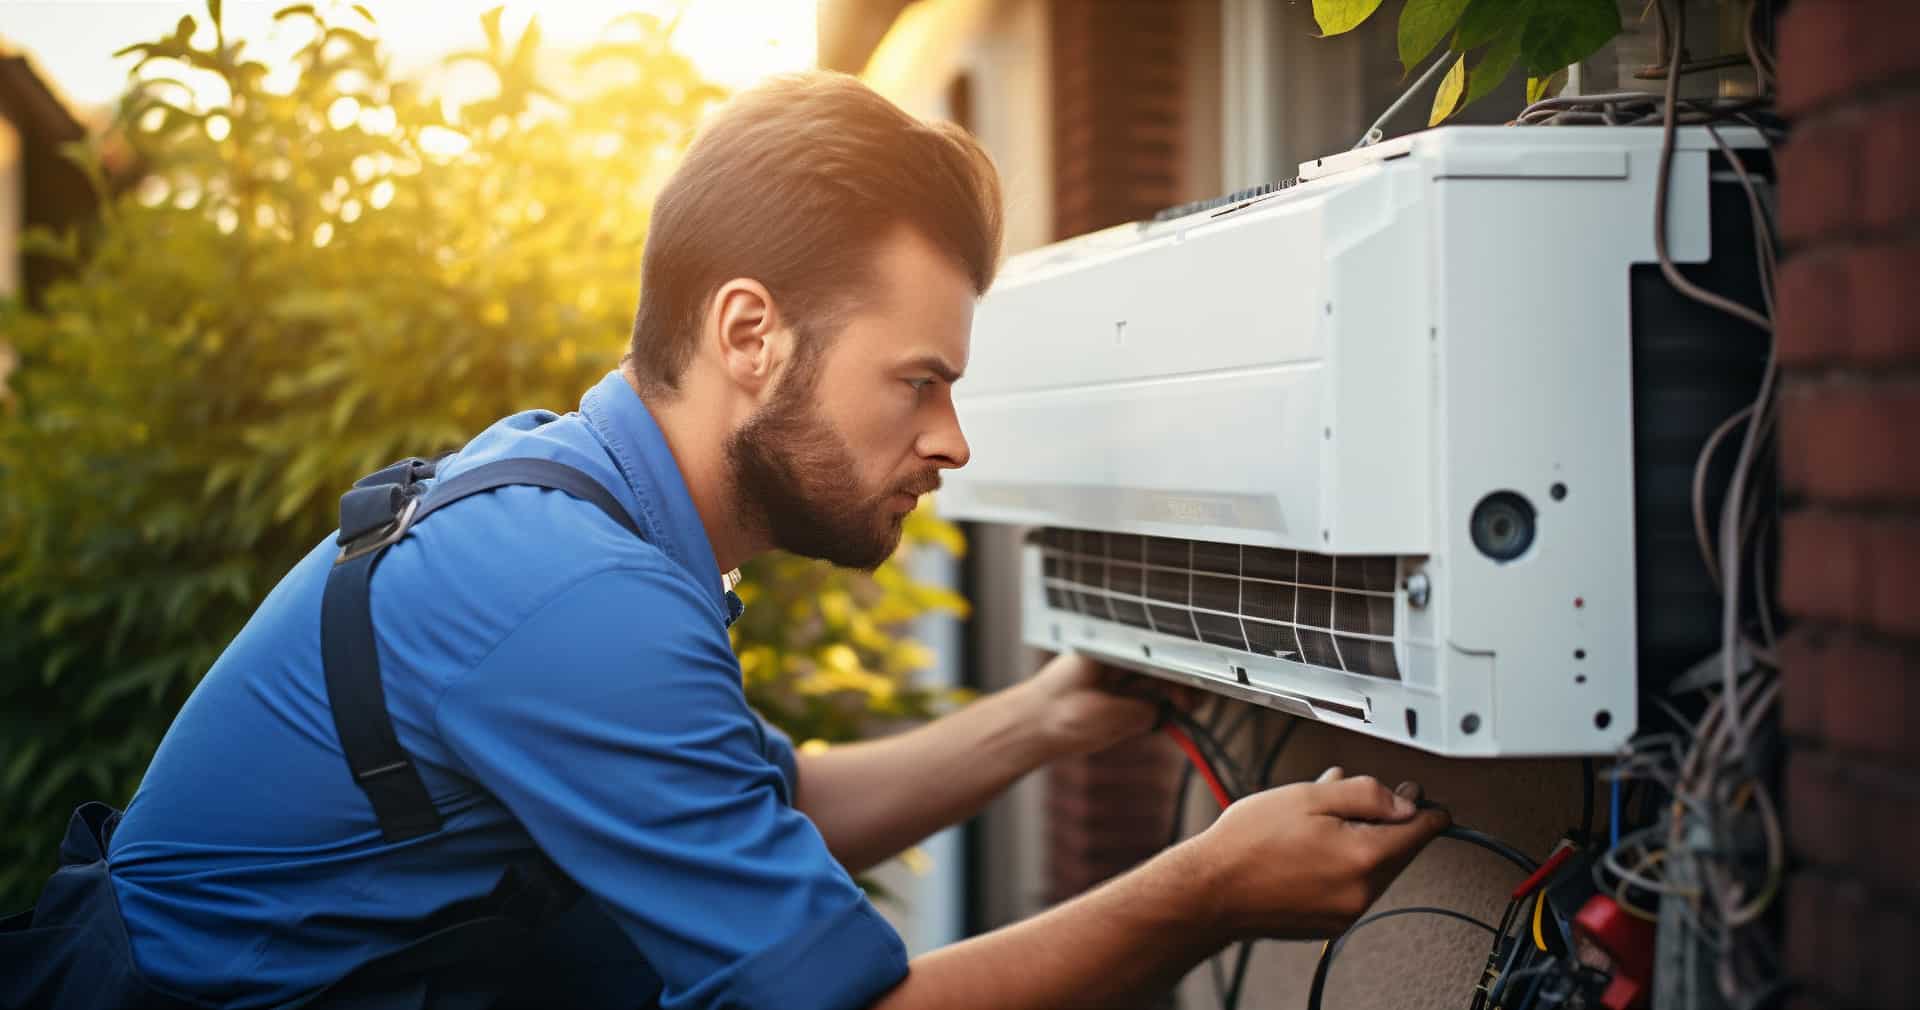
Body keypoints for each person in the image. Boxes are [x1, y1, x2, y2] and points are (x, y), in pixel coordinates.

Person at [0, 72, 1447, 1009]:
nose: (952, 441)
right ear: (749, 332)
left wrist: (1051, 719)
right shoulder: (574, 597)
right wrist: (1204, 887)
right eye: (920, 380)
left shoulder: (572, 495)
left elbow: (778, 805)